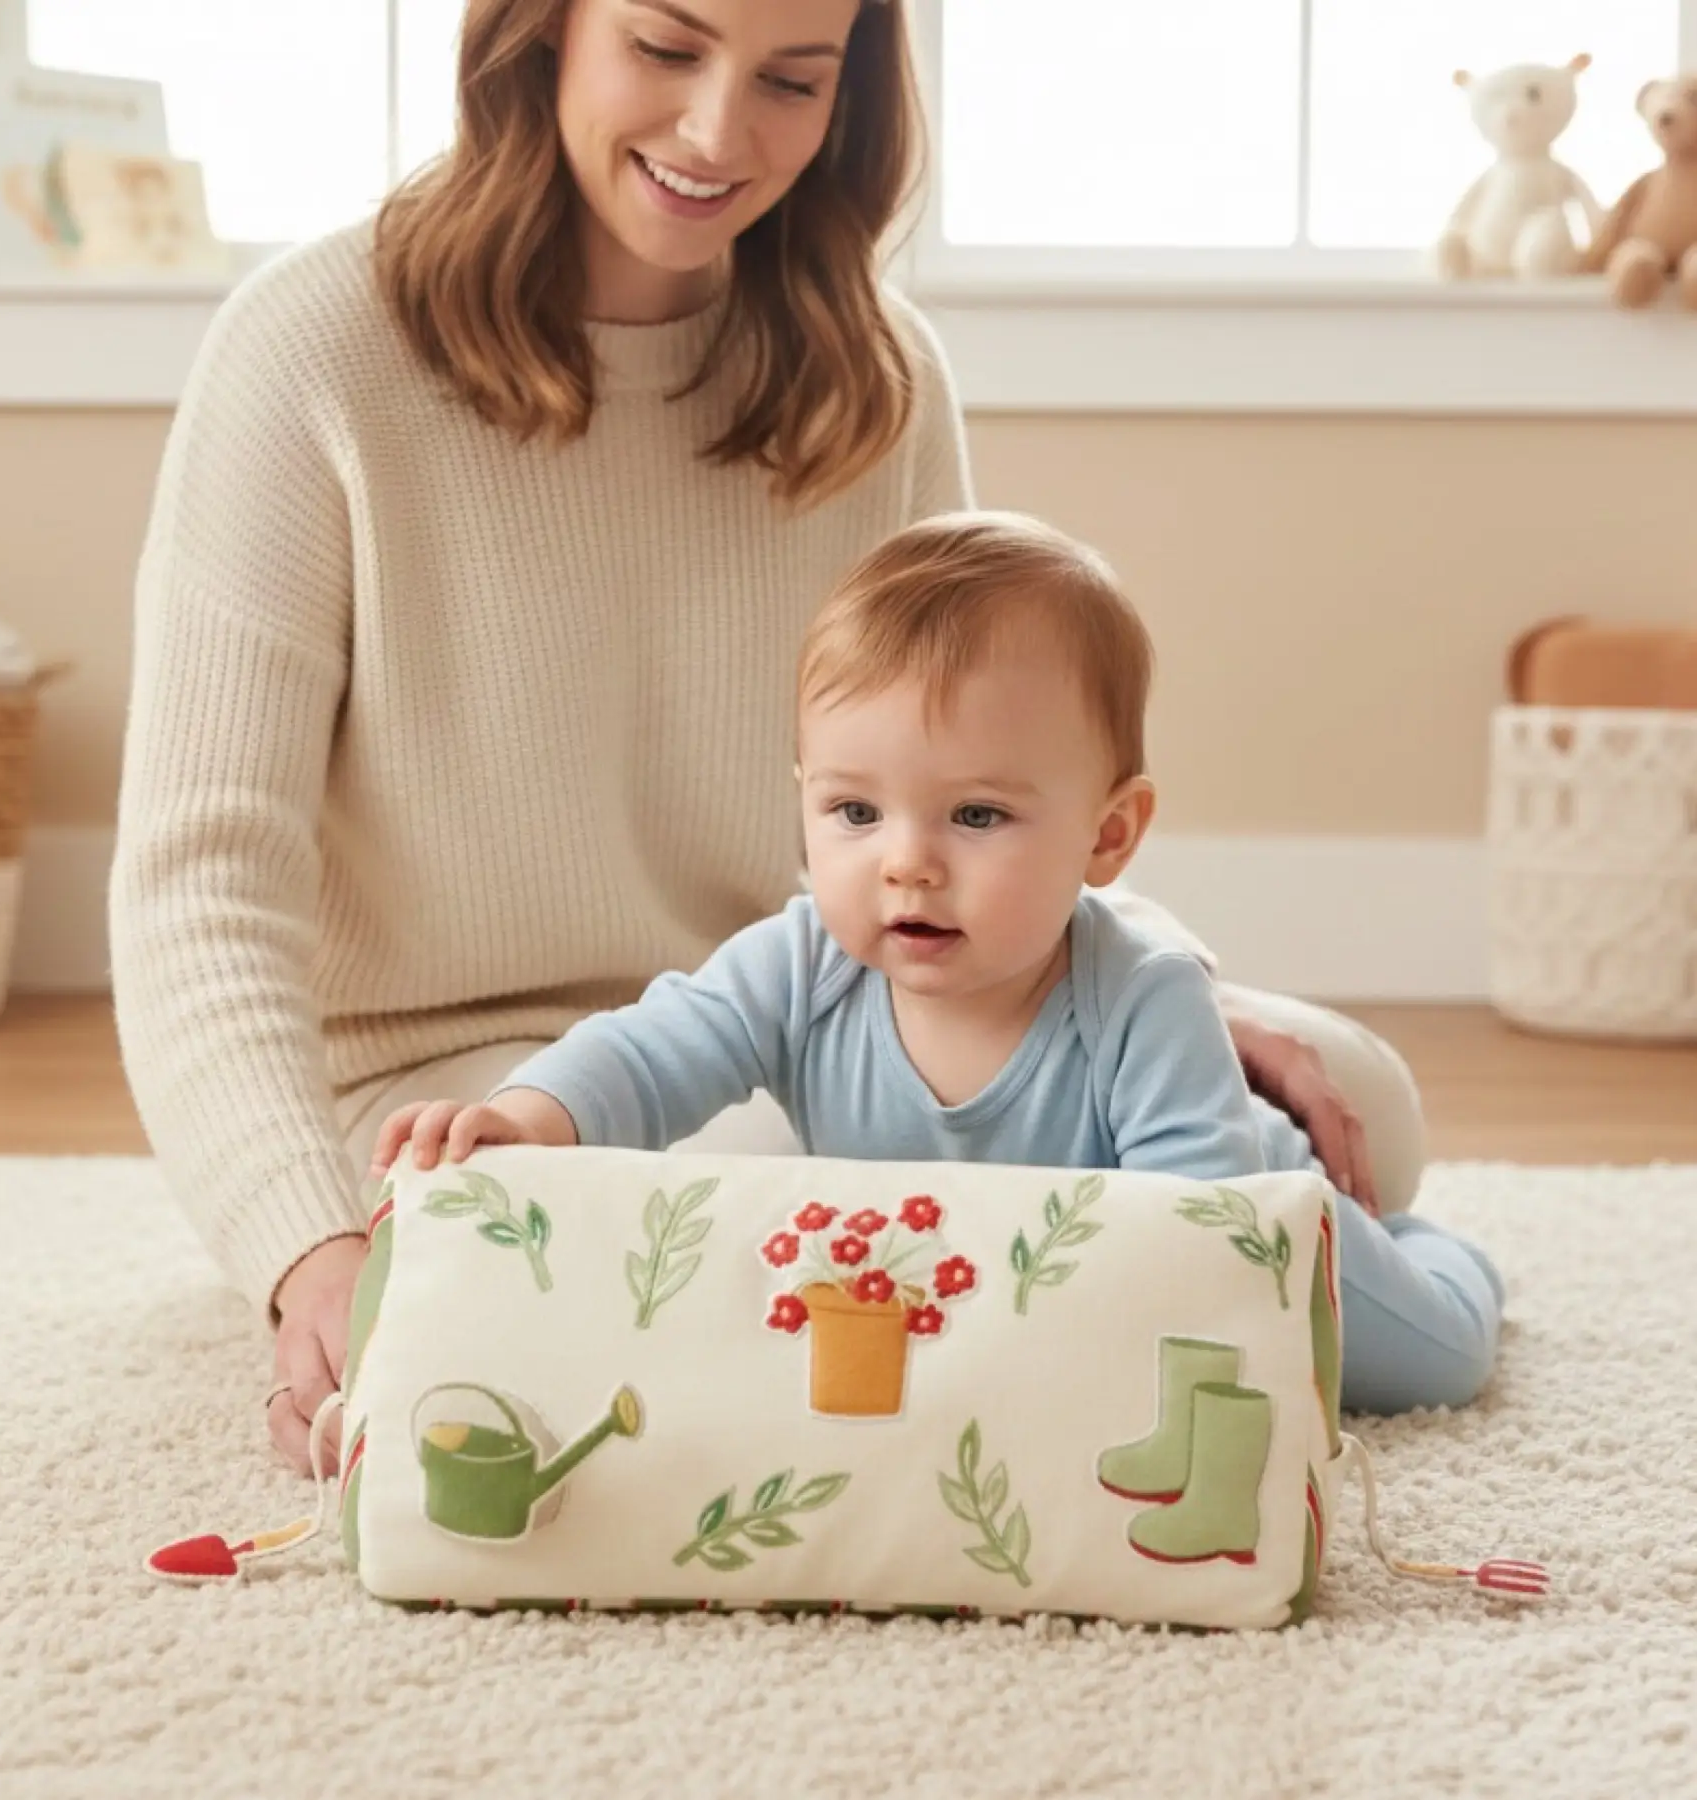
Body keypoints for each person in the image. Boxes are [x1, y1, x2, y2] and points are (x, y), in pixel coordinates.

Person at [111, 0, 1429, 1476]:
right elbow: (200, 886)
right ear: (541, 35)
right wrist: (311, 1250)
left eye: (793, 80)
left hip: (823, 1014)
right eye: (667, 52)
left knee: (1351, 1096)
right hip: (463, 1094)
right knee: (750, 1237)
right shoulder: (312, 348)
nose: (720, 135)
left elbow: (963, 779)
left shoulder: (877, 372)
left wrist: (1124, 994)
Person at [372, 514, 1501, 1414]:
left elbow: (1196, 1242)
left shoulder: (1142, 999)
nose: (906, 864)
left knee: (1436, 1364)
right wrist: (528, 1118)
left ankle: (1427, 1244)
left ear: (1108, 837)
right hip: (969, 1287)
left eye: (975, 814)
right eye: (855, 810)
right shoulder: (804, 961)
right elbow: (655, 1048)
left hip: (1254, 1193)